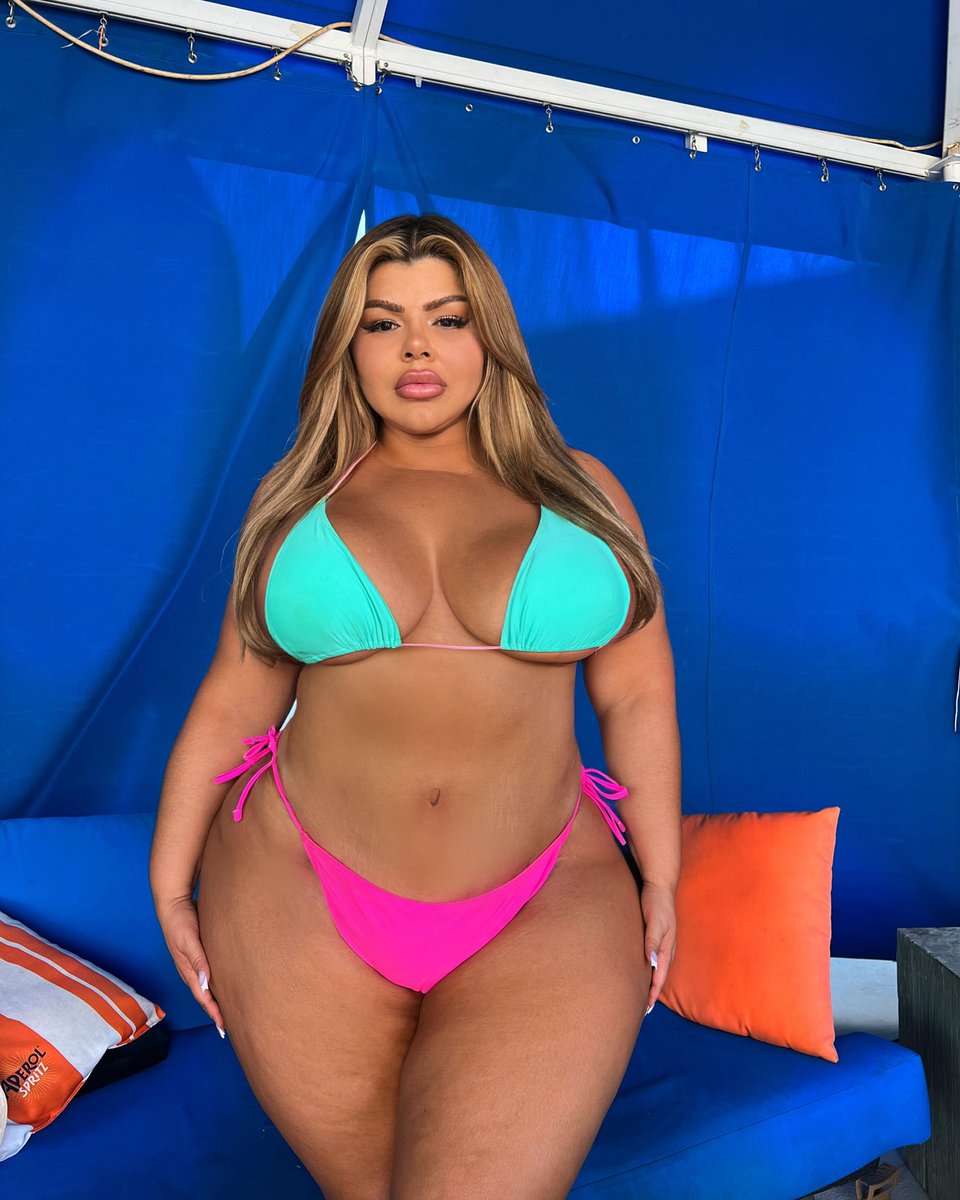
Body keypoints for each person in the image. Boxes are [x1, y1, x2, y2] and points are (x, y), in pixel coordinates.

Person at [149, 212, 681, 1200]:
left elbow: (638, 688)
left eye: (447, 317)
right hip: (296, 890)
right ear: (348, 347)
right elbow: (234, 697)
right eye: (383, 323)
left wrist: (663, 873)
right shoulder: (295, 498)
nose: (417, 348)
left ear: (490, 336)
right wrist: (171, 882)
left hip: (545, 896)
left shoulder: (584, 493)